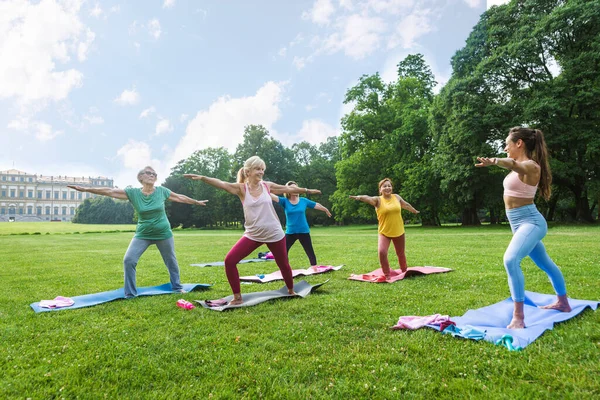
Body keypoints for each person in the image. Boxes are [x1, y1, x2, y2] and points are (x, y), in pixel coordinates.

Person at [184, 156, 322, 305]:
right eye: (258, 169)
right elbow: (222, 184)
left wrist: (307, 190)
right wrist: (204, 178)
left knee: (283, 264)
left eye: (262, 169)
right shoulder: (241, 189)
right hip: (253, 234)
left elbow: (288, 188)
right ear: (248, 171)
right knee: (229, 261)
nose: (261, 172)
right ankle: (237, 298)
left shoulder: (267, 186)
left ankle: (290, 290)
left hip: (274, 233)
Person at [476, 127, 571, 329]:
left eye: (507, 143)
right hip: (518, 224)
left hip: (531, 222)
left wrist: (494, 160)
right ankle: (563, 302)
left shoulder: (531, 166)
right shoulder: (519, 166)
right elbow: (512, 164)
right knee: (546, 264)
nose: (505, 147)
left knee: (510, 260)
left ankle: (518, 317)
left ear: (519, 143)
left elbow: (511, 163)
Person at [68, 166, 208, 298]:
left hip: (163, 233)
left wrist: (196, 202)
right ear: (140, 177)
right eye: (149, 172)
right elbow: (109, 191)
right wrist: (86, 189)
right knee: (129, 260)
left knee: (171, 261)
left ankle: (177, 288)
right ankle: (130, 294)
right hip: (143, 234)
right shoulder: (133, 193)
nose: (152, 175)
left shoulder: (162, 191)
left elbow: (180, 197)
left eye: (154, 174)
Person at [349, 178, 420, 280]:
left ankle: (404, 272)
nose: (387, 188)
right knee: (382, 252)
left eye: (389, 186)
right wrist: (359, 197)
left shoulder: (397, 197)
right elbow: (368, 198)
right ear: (380, 189)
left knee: (401, 254)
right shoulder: (378, 200)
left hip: (398, 230)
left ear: (392, 188)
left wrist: (414, 210)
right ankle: (387, 275)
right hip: (384, 232)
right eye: (384, 186)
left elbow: (405, 205)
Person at [276, 181, 331, 268]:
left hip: (303, 230)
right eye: (292, 188)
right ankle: (285, 268)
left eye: (296, 188)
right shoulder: (284, 201)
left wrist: (326, 210)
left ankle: (314, 267)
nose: (295, 190)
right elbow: (271, 196)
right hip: (290, 232)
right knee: (283, 251)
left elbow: (316, 204)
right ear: (287, 191)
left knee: (309, 250)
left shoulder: (303, 201)